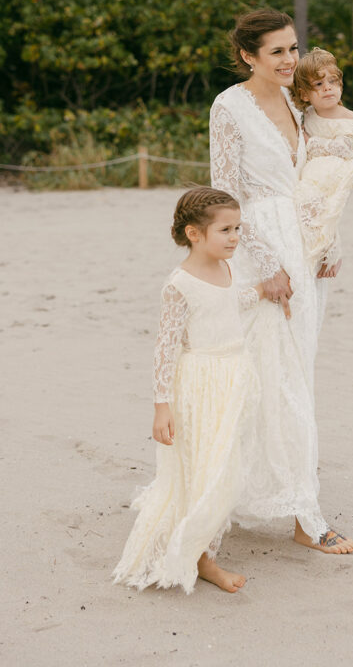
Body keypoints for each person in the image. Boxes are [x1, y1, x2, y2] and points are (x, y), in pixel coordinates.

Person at [209, 8, 353, 555]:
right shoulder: (229, 107)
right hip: (260, 253)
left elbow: (316, 182)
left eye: (293, 48)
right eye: (276, 51)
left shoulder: (299, 106)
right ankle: (302, 514)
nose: (289, 60)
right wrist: (264, 262)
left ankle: (296, 503)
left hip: (305, 251)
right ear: (248, 55)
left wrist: (330, 241)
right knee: (267, 378)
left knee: (297, 374)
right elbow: (224, 193)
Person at [112, 187, 264, 595]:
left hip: (232, 376)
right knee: (205, 471)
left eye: (238, 228)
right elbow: (165, 347)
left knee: (225, 467)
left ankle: (200, 548)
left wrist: (262, 292)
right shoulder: (180, 284)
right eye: (225, 230)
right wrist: (162, 407)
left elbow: (228, 305)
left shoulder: (228, 270)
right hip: (199, 384)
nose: (234, 237)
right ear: (194, 234)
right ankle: (202, 559)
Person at [291, 47, 353, 273]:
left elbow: (344, 149)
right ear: (305, 94)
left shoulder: (348, 117)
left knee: (323, 207)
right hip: (313, 168)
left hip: (335, 169)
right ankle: (320, 249)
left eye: (333, 82)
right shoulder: (307, 115)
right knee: (310, 206)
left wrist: (310, 141)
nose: (327, 88)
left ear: (340, 86)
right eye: (318, 84)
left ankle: (329, 250)